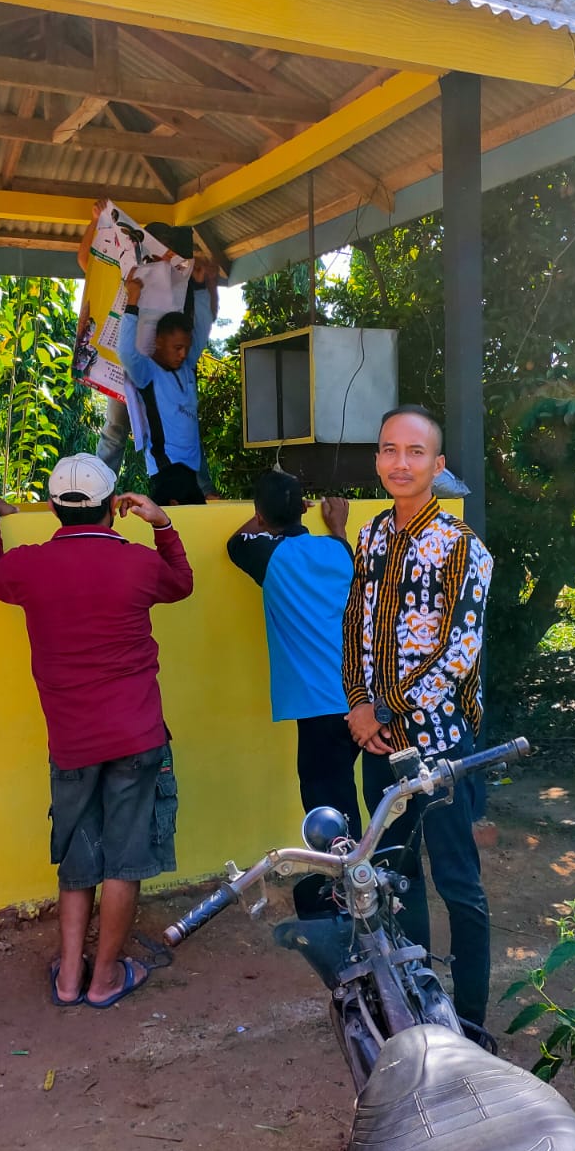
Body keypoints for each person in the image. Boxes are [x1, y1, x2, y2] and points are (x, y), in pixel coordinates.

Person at [0, 453, 192, 1008]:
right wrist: (162, 524)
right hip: (138, 736)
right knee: (124, 858)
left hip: (70, 742)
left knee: (79, 857)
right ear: (112, 509)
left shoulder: (31, 565)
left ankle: (69, 977)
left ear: (53, 509)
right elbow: (182, 584)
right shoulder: (138, 563)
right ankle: (106, 979)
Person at [342, 404, 495, 1029]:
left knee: (458, 882)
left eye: (413, 452)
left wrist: (385, 710)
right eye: (388, 450)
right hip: (376, 742)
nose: (398, 463)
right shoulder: (373, 533)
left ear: (438, 465)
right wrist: (357, 704)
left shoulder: (463, 548)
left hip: (440, 744)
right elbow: (354, 623)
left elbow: (458, 653)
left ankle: (472, 1022)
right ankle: (421, 1012)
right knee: (393, 879)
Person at [227, 471, 361, 916]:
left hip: (316, 702)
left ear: (262, 515)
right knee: (341, 792)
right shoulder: (337, 550)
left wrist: (263, 517)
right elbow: (341, 548)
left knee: (327, 804)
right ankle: (349, 882)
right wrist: (337, 523)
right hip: (357, 694)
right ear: (305, 508)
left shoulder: (268, 556)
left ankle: (347, 892)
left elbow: (234, 541)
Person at [78, 206, 217, 499]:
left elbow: (202, 326)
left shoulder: (181, 277)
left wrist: (205, 286)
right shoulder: (127, 267)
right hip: (129, 368)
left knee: (184, 425)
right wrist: (97, 223)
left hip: (166, 368)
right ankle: (97, 495)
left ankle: (205, 490)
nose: (165, 254)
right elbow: (87, 261)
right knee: (115, 430)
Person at [118, 261, 217, 507]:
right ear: (159, 342)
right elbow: (125, 352)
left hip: (191, 470)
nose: (183, 354)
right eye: (177, 348)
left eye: (186, 347)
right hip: (166, 470)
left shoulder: (186, 368)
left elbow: (203, 331)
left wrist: (200, 287)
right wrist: (132, 301)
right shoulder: (147, 373)